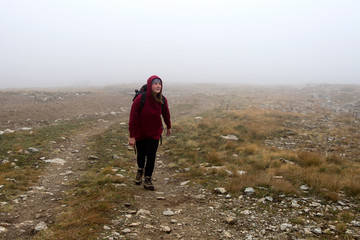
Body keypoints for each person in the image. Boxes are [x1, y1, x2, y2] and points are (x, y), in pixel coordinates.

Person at [128, 75, 171, 190]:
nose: (158, 86)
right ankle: (140, 170)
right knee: (141, 155)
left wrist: (169, 126)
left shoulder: (162, 100)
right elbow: (133, 118)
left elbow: (166, 114)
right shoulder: (140, 99)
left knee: (151, 156)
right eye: (155, 83)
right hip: (140, 133)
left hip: (154, 133)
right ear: (150, 85)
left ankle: (148, 178)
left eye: (159, 84)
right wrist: (132, 136)